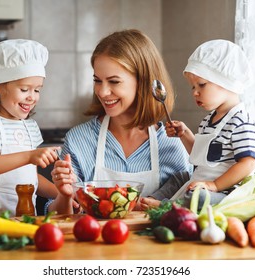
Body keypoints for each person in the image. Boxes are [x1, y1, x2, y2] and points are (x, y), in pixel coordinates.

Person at [49, 29, 193, 213]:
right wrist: (64, 195)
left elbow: (188, 211)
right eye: (97, 80)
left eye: (114, 81)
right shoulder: (78, 140)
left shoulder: (174, 144)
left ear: (143, 81)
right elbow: (61, 219)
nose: (102, 91)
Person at [144, 39, 255, 210]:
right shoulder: (209, 120)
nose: (195, 92)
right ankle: (150, 200)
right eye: (192, 87)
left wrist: (215, 185)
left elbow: (248, 163)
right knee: (180, 177)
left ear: (226, 82)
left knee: (199, 197)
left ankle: (165, 207)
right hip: (203, 181)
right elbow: (202, 156)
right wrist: (184, 134)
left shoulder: (241, 122)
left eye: (202, 85)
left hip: (225, 191)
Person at [0, 39, 67, 216]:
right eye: (24, 89)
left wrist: (63, 194)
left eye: (37, 90)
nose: (32, 97)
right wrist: (29, 156)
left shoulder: (30, 127)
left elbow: (31, 178)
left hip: (26, 218)